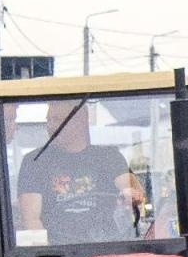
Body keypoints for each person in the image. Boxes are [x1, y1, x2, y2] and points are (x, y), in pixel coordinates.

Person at [17, 102, 143, 244]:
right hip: (58, 254)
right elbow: (31, 218)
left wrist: (130, 191)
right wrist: (43, 256)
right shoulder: (35, 160)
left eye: (58, 120)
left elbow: (128, 184)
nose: (51, 126)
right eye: (49, 120)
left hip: (106, 245)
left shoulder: (108, 156)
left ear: (81, 121)